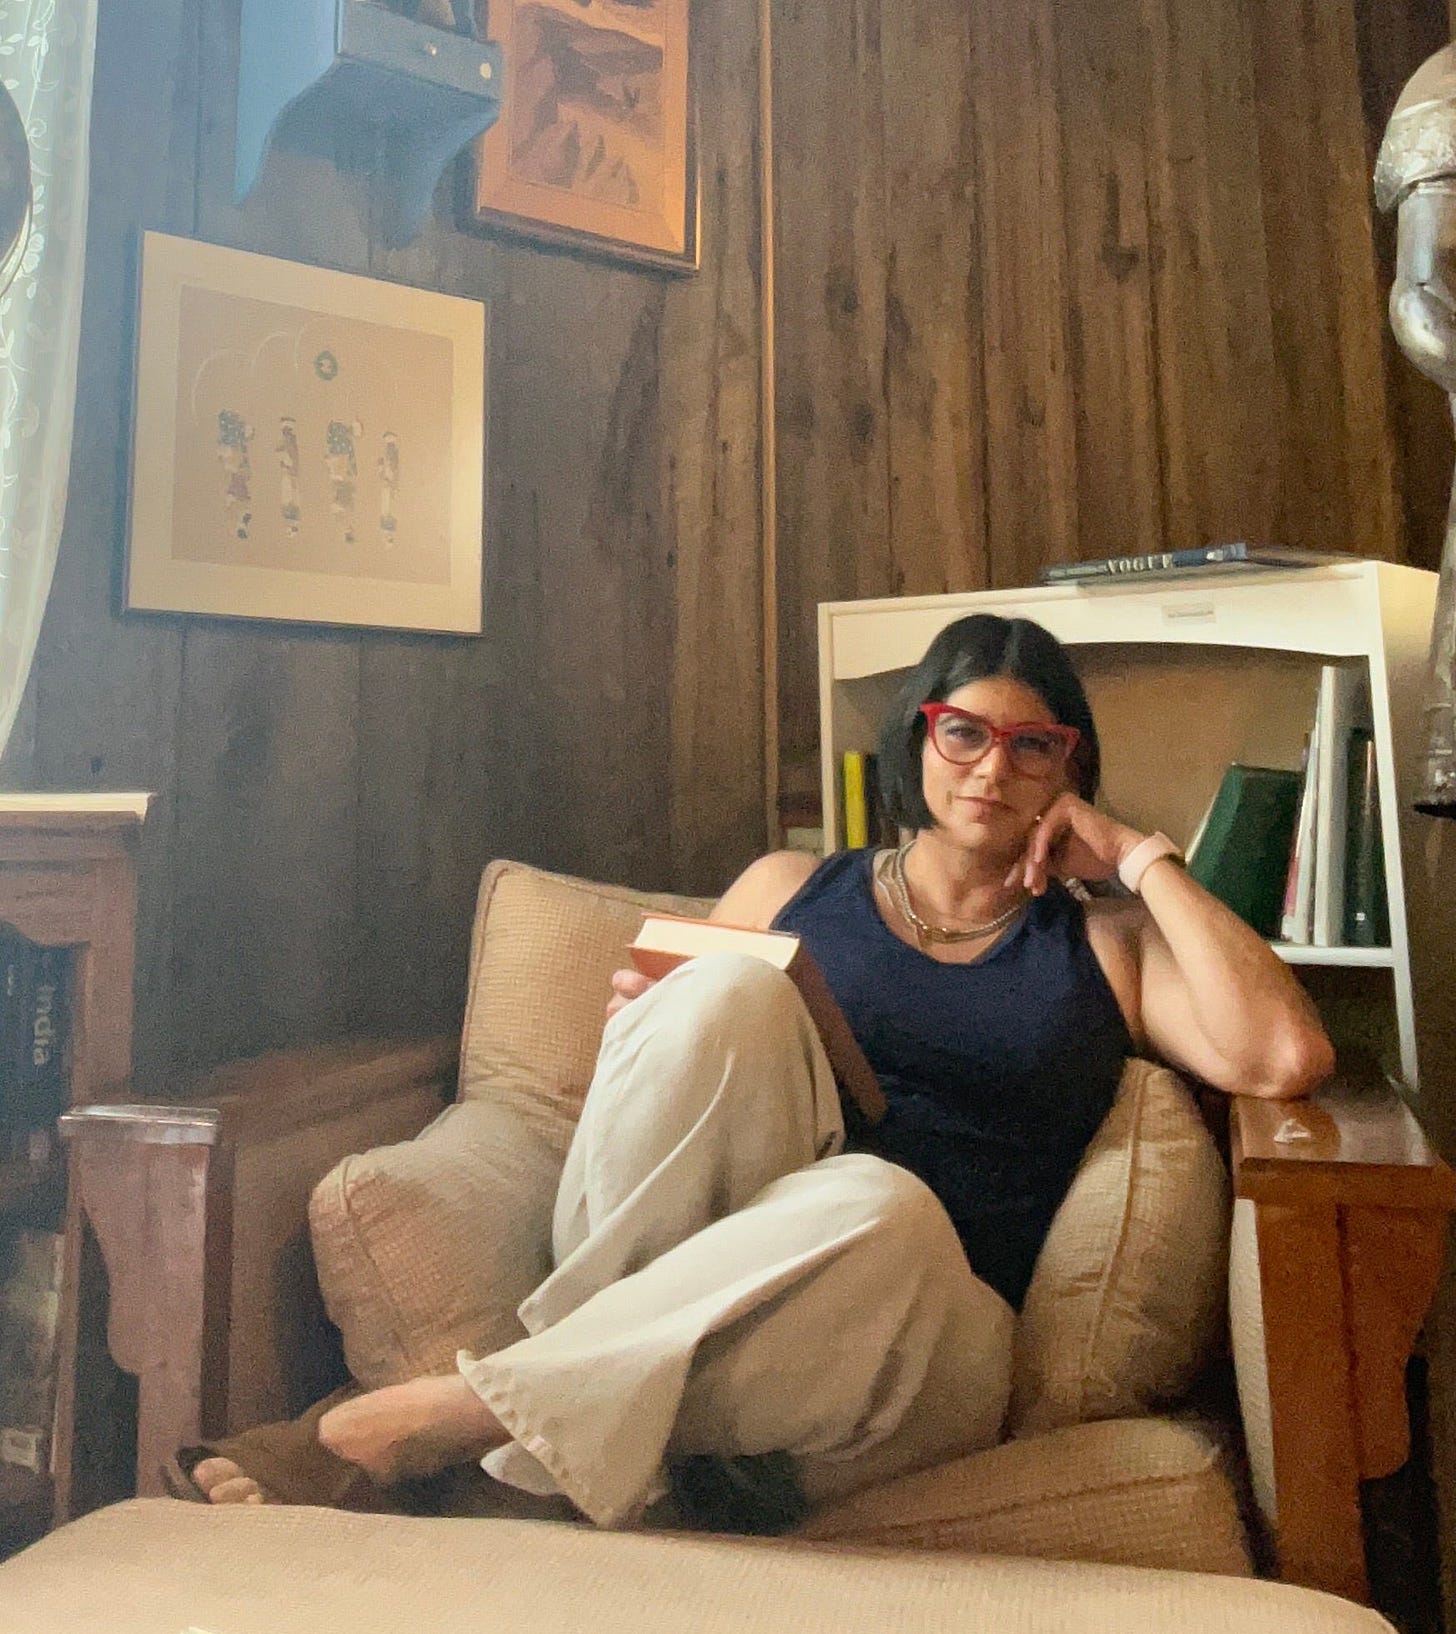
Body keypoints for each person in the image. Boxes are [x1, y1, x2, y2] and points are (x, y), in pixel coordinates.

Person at [184, 613, 1334, 1527]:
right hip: (718, 1289)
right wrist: (654, 1019)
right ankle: (578, 1418)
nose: (994, 766)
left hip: (915, 1347)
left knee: (880, 1201)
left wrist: (1139, 853)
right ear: (918, 738)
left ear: (1070, 769)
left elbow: (1281, 1053)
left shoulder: (1101, 943)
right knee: (728, 987)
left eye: (1036, 744)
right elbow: (631, 1123)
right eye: (964, 731)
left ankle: (448, 1416)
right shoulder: (792, 882)